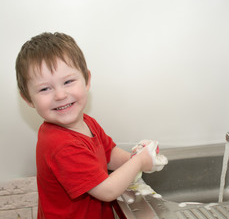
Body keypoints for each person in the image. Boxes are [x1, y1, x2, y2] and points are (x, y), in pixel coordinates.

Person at [15, 32, 166, 219]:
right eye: (45, 89)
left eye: (68, 81)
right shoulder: (61, 145)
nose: (60, 95)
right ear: (28, 98)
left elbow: (109, 154)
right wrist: (139, 162)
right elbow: (107, 191)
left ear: (86, 80)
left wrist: (137, 157)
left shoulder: (86, 122)